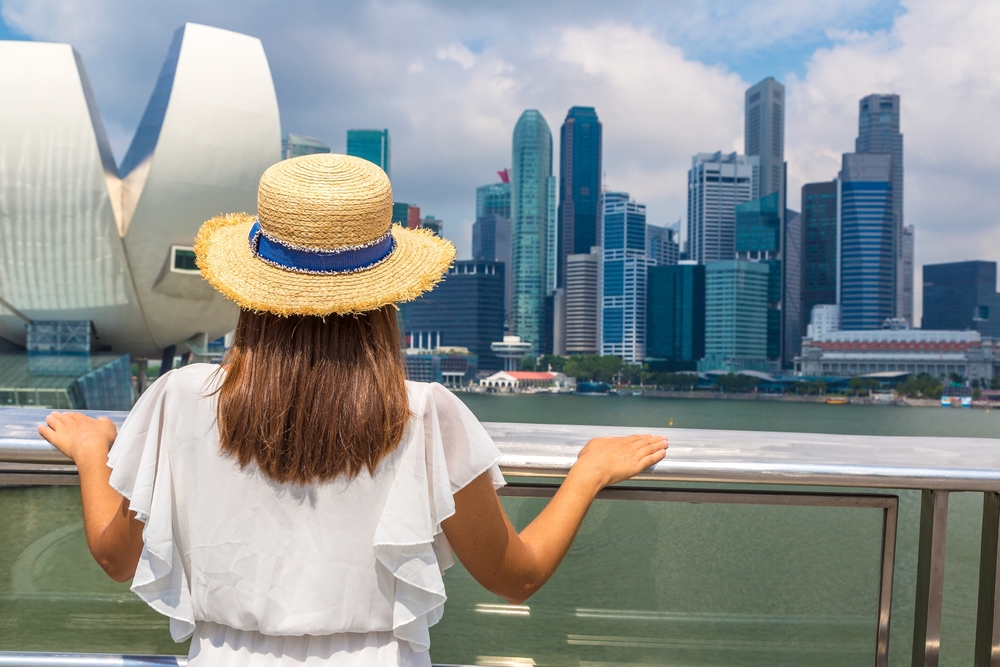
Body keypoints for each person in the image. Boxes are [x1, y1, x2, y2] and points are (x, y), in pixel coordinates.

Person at [39, 154, 668, 666]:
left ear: (253, 290)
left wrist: (94, 451)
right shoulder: (423, 415)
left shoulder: (180, 398)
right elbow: (516, 578)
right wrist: (587, 471)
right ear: (385, 300)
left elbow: (116, 557)